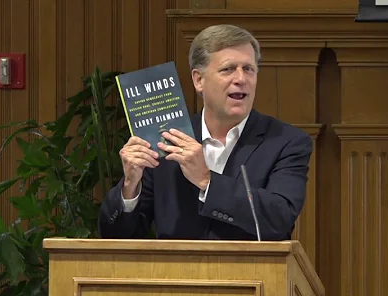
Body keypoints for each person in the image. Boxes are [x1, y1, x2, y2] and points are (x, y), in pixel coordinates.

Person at [98, 24, 313, 241]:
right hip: (176, 273)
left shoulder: (287, 142)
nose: (241, 78)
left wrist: (206, 180)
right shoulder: (165, 140)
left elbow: (280, 218)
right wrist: (130, 187)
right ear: (198, 80)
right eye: (228, 69)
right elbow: (116, 236)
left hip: (252, 273)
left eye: (248, 69)